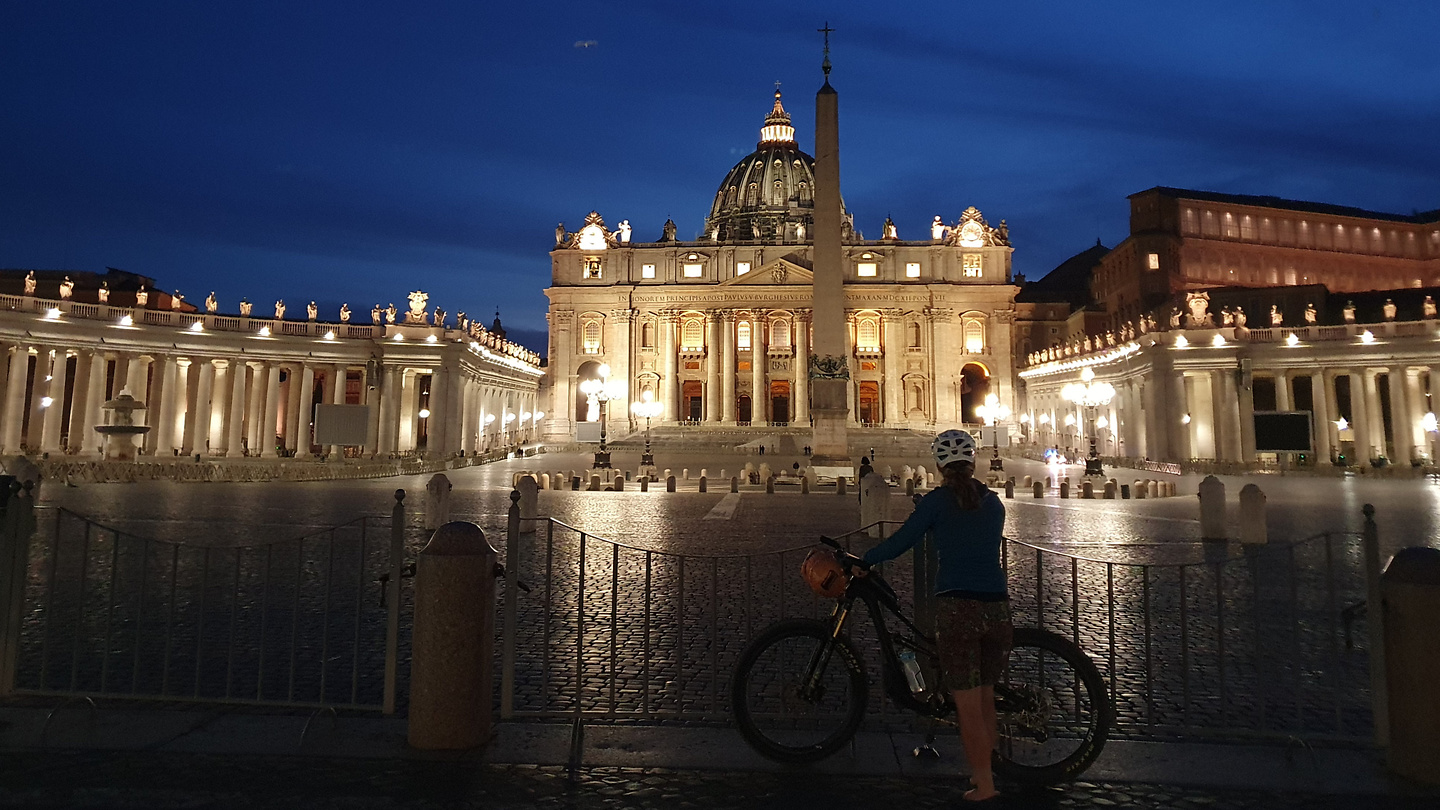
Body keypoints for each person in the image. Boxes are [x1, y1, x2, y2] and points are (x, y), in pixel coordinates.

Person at [859, 429, 1011, 803]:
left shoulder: (937, 502)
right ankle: (991, 771)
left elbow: (900, 542)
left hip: (959, 607)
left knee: (968, 706)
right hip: (997, 607)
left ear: (938, 465)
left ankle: (985, 785)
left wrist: (864, 560)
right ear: (973, 463)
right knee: (986, 697)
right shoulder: (994, 503)